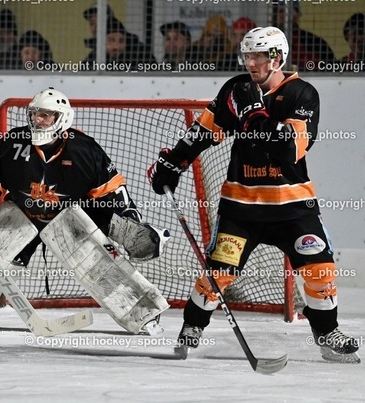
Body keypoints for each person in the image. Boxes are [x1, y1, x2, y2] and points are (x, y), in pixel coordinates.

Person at [148, 26, 360, 363]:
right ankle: (192, 327)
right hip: (241, 207)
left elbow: (291, 148)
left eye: (258, 55)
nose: (251, 62)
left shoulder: (301, 94)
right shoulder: (236, 90)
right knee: (219, 274)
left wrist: (254, 116)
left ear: (277, 58)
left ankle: (326, 332)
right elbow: (203, 132)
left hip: (293, 206)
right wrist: (173, 162)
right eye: (247, 55)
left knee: (320, 269)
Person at [0, 88, 171, 336]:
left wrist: (127, 223)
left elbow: (112, 191)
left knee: (99, 266)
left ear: (63, 119)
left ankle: (144, 313)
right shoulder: (15, 142)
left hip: (68, 218)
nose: (37, 120)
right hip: (20, 215)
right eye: (34, 114)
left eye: (45, 115)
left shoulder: (85, 150)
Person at [276, 1, 334, 70]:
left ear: (297, 14)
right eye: (281, 11)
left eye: (289, 11)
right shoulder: (271, 41)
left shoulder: (314, 41)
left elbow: (330, 65)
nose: (284, 15)